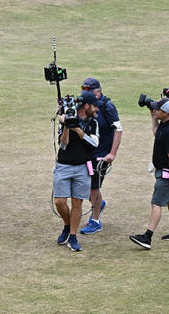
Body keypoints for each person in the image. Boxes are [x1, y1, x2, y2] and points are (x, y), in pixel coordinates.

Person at [129, 96, 169, 249]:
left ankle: (147, 237)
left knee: (156, 203)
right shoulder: (165, 123)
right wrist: (152, 113)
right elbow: (156, 132)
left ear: (166, 113)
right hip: (163, 171)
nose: (155, 111)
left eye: (157, 109)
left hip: (167, 174)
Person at [53, 90, 99, 252]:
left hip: (82, 168)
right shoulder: (65, 119)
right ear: (86, 106)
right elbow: (63, 145)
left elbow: (94, 144)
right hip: (64, 166)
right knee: (59, 201)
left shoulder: (93, 122)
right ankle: (67, 224)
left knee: (77, 203)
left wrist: (78, 129)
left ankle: (72, 236)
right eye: (94, 106)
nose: (97, 109)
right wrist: (66, 126)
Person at [79, 78, 122, 236]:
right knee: (86, 186)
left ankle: (95, 221)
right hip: (87, 153)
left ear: (98, 92)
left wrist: (112, 153)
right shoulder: (85, 103)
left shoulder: (107, 106)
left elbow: (118, 129)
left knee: (93, 186)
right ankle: (98, 203)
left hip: (100, 156)